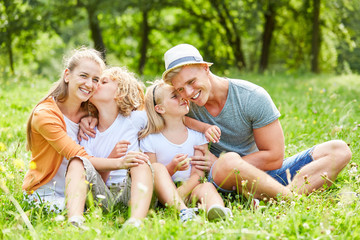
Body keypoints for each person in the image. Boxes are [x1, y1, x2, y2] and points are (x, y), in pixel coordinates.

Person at [162, 43, 352, 199]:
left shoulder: (251, 96)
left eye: (191, 82)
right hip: (220, 176)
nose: (187, 93)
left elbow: (275, 156)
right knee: (227, 162)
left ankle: (282, 196)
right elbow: (149, 108)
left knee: (339, 150)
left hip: (262, 174)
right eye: (179, 89)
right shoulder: (183, 107)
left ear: (205, 68)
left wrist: (233, 164)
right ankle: (290, 199)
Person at [22, 47, 146, 227]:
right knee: (78, 162)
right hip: (48, 192)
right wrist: (120, 162)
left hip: (81, 190)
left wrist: (91, 117)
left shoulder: (89, 110)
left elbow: (120, 110)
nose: (89, 84)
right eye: (83, 76)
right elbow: (79, 157)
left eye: (96, 79)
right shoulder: (45, 114)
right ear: (67, 75)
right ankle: (75, 219)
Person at [80, 67, 198, 225]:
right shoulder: (88, 132)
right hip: (102, 196)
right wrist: (111, 158)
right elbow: (90, 173)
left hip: (135, 191)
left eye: (103, 81)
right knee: (83, 164)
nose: (95, 85)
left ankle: (136, 221)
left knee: (140, 162)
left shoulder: (134, 119)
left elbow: (169, 115)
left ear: (120, 93)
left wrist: (204, 128)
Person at [139, 80, 232, 221]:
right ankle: (183, 212)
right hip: (164, 195)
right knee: (157, 168)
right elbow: (152, 177)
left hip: (191, 190)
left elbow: (198, 174)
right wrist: (172, 168)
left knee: (206, 186)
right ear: (160, 109)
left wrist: (180, 193)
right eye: (174, 96)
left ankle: (217, 210)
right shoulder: (150, 139)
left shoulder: (197, 135)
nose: (183, 97)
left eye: (181, 93)